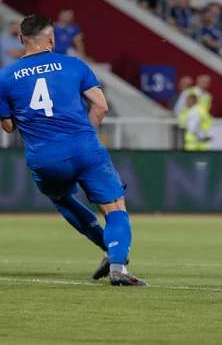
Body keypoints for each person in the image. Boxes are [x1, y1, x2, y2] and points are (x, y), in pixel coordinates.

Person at [0, 14, 145, 286]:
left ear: (21, 40)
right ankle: (118, 266)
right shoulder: (74, 65)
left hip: (45, 157)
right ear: (52, 38)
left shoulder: (4, 77)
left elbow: (7, 127)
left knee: (62, 198)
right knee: (114, 207)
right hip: (84, 148)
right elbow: (100, 106)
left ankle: (109, 251)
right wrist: (84, 135)